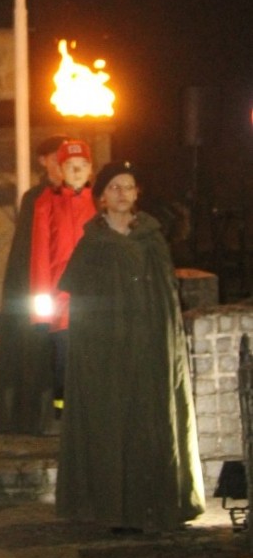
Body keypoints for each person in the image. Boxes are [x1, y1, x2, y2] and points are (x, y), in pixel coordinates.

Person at [55, 160, 206, 532]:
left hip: (150, 348)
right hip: (106, 350)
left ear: (137, 193)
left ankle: (155, 502)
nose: (123, 194)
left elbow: (166, 297)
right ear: (102, 197)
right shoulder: (93, 243)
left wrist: (160, 343)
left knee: (149, 421)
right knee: (111, 422)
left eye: (129, 187)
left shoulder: (152, 238)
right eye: (115, 188)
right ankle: (113, 507)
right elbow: (83, 302)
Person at [0, 134, 66, 435]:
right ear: (44, 161)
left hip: (71, 294)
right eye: (56, 157)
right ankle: (42, 415)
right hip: (44, 291)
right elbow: (27, 251)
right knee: (40, 352)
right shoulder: (36, 199)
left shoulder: (87, 198)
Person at [29, 139, 95, 419]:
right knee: (63, 360)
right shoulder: (47, 204)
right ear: (61, 169)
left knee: (94, 358)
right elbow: (40, 255)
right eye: (70, 166)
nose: (76, 171)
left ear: (90, 168)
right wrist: (41, 307)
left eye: (81, 166)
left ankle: (92, 411)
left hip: (95, 299)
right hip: (61, 299)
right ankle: (64, 414)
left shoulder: (100, 203)